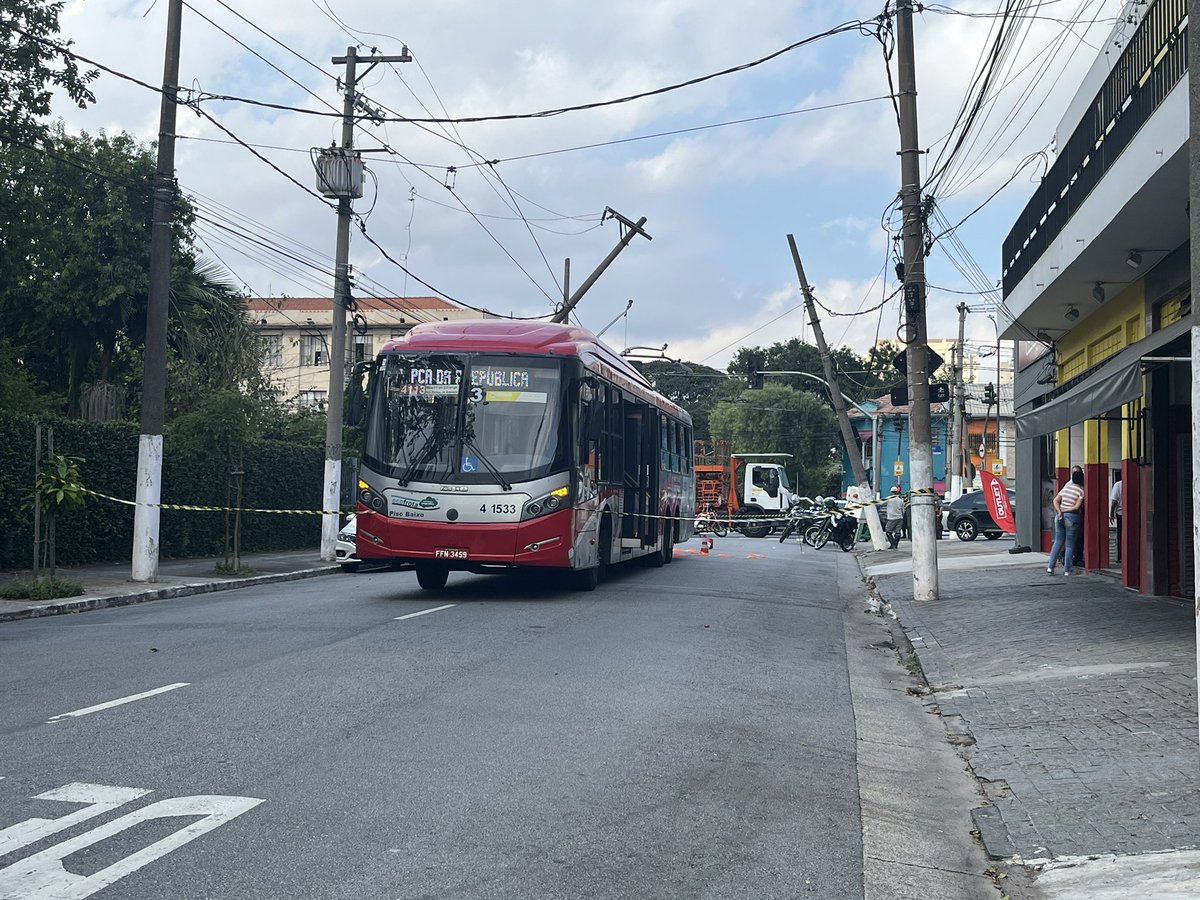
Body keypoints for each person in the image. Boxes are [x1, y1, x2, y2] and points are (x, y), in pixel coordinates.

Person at [1048, 470, 1085, 576]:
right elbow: (1077, 507)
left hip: (1059, 517)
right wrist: (1065, 510)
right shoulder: (1081, 491)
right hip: (1072, 518)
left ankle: (1050, 567)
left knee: (1058, 542)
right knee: (1069, 545)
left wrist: (1059, 511)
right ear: (1081, 479)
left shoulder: (1066, 488)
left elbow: (1055, 500)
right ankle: (1067, 570)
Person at [885, 485, 904, 550]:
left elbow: (879, 503)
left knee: (888, 531)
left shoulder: (888, 499)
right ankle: (895, 545)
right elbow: (903, 510)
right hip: (899, 518)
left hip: (891, 518)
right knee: (897, 532)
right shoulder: (900, 500)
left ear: (891, 492)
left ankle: (892, 544)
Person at [1109, 472, 1123, 564]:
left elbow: (1114, 501)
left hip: (1120, 513)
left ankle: (1120, 557)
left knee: (1120, 535)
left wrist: (1111, 513)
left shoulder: (1118, 485)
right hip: (1133, 513)